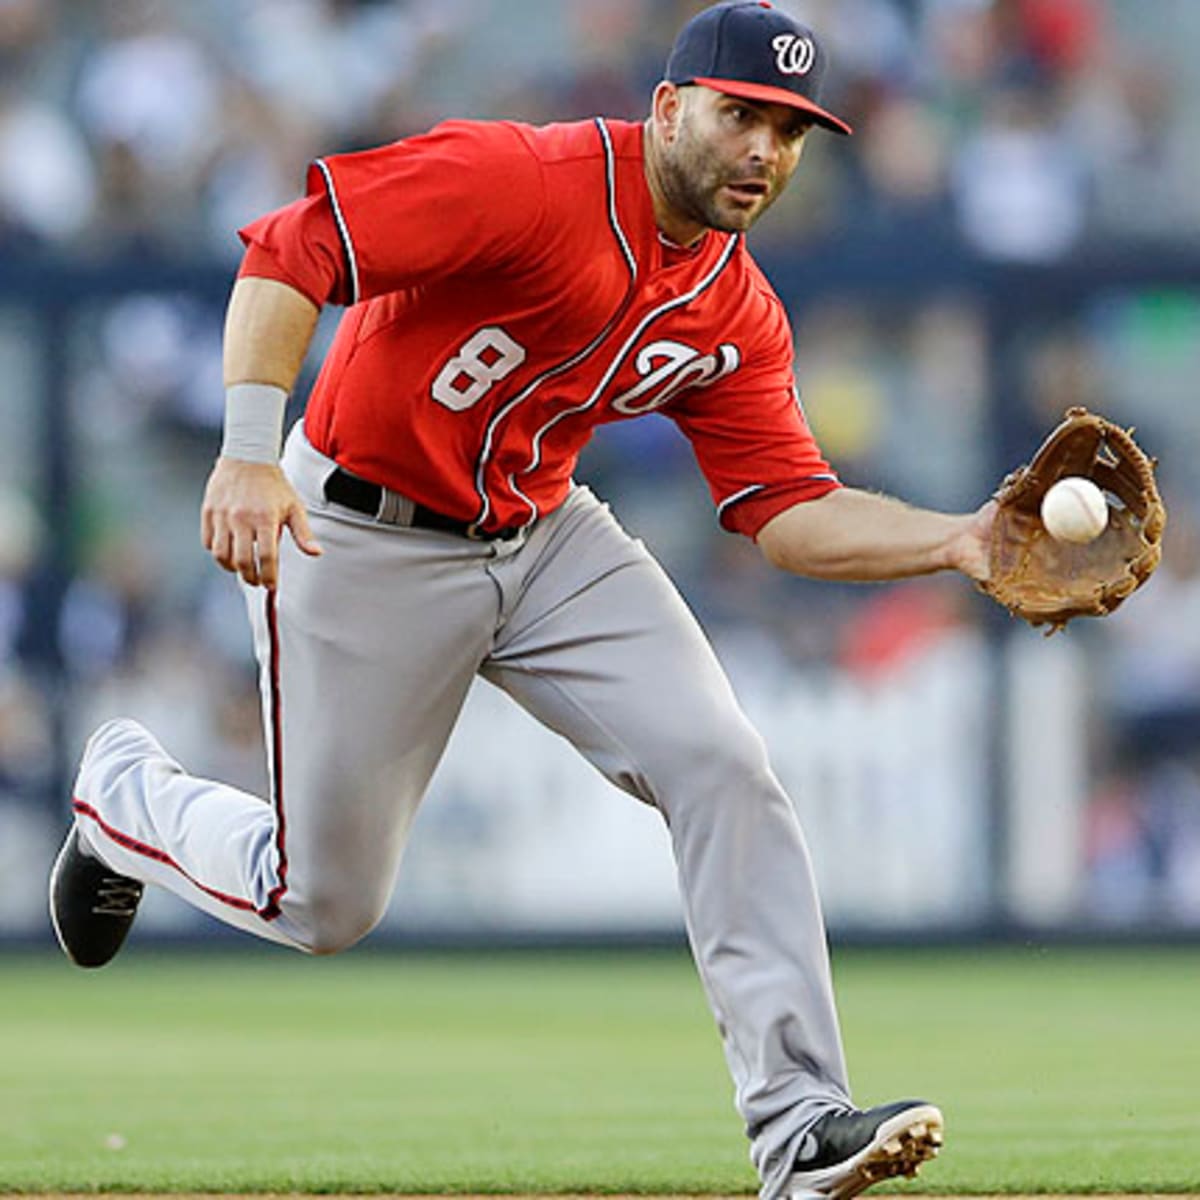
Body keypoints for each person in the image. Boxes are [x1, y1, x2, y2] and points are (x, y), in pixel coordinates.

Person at [50, 4, 995, 1197]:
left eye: (791, 131)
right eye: (740, 113)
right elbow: (293, 247)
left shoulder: (733, 303)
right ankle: (121, 794)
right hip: (361, 530)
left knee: (722, 763)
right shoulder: (523, 178)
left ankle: (801, 1126)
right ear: (668, 108)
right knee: (325, 900)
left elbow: (787, 512)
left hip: (545, 535)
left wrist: (961, 540)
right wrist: (245, 447)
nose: (764, 150)